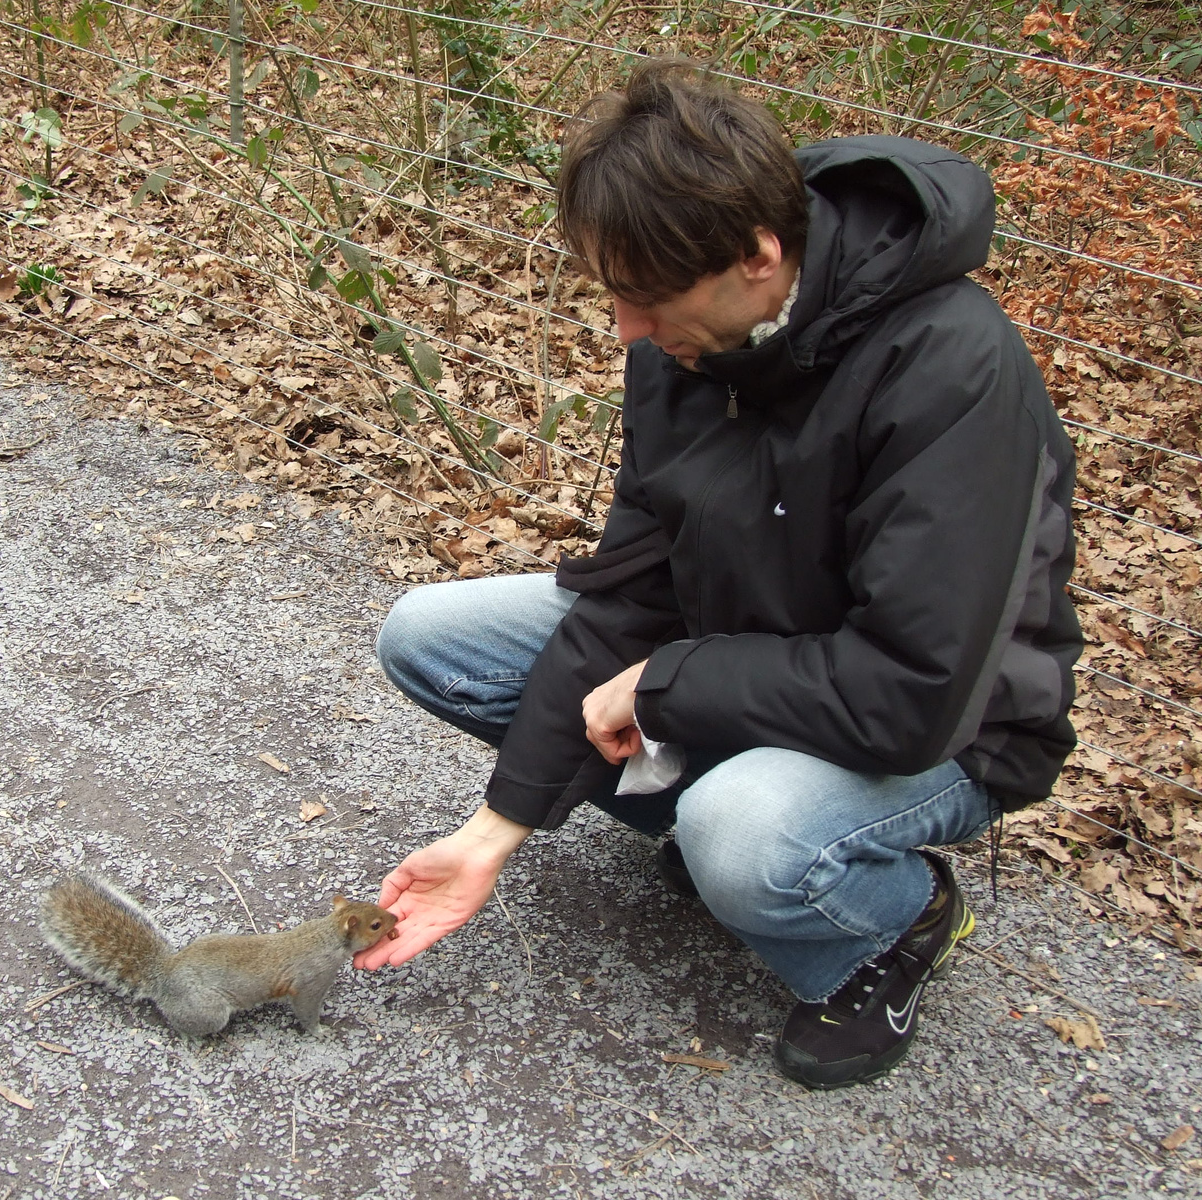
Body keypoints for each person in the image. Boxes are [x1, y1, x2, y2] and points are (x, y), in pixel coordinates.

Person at [357, 58, 1083, 1090]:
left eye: (646, 301)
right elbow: (633, 590)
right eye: (615, 297)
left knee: (740, 832)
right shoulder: (685, 343)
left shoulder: (950, 364)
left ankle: (891, 922)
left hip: (954, 730)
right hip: (760, 654)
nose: (626, 334)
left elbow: (914, 695)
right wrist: (491, 833)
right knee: (430, 638)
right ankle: (722, 831)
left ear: (756, 257)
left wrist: (667, 687)